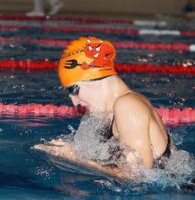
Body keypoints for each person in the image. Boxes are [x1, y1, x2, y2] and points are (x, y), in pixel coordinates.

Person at [57, 36, 174, 170]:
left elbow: (140, 178)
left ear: (95, 77)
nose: (74, 101)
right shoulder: (106, 114)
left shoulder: (128, 106)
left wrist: (73, 157)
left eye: (74, 89)